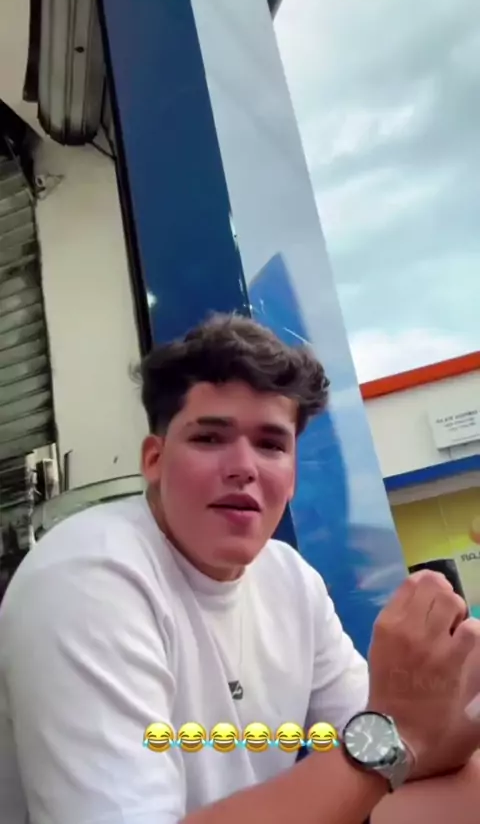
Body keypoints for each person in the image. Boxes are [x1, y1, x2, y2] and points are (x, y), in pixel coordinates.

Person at [0, 313, 479, 824]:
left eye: (271, 445)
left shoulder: (291, 579)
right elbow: (385, 745)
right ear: (154, 459)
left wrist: (443, 703)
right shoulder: (87, 577)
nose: (244, 468)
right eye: (210, 438)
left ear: (291, 477)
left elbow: (411, 752)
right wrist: (389, 735)